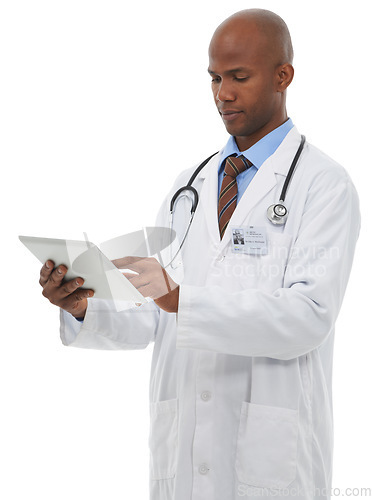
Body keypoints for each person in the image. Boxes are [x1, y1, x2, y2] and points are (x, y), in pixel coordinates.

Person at [39, 8, 360, 500]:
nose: (222, 94)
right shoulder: (189, 185)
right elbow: (154, 315)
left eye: (238, 77)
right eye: (214, 78)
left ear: (283, 76)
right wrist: (84, 305)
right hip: (185, 453)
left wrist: (182, 301)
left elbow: (308, 318)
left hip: (272, 459)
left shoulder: (323, 184)